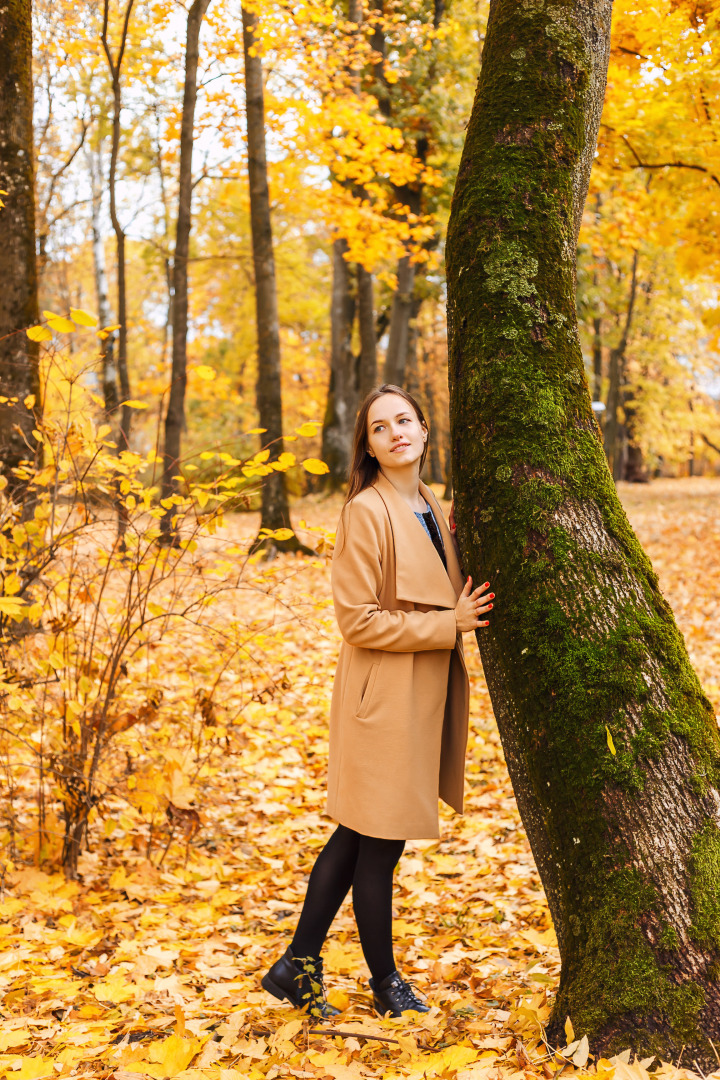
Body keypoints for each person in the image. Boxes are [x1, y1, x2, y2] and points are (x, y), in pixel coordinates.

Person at [261, 384, 494, 1019]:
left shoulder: (427, 502)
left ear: (423, 428)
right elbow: (356, 619)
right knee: (380, 839)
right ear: (367, 445)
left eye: (405, 420)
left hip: (419, 692)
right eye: (380, 427)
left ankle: (296, 965)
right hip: (383, 694)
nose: (396, 432)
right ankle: (385, 982)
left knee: (359, 834)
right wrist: (449, 623)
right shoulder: (367, 510)